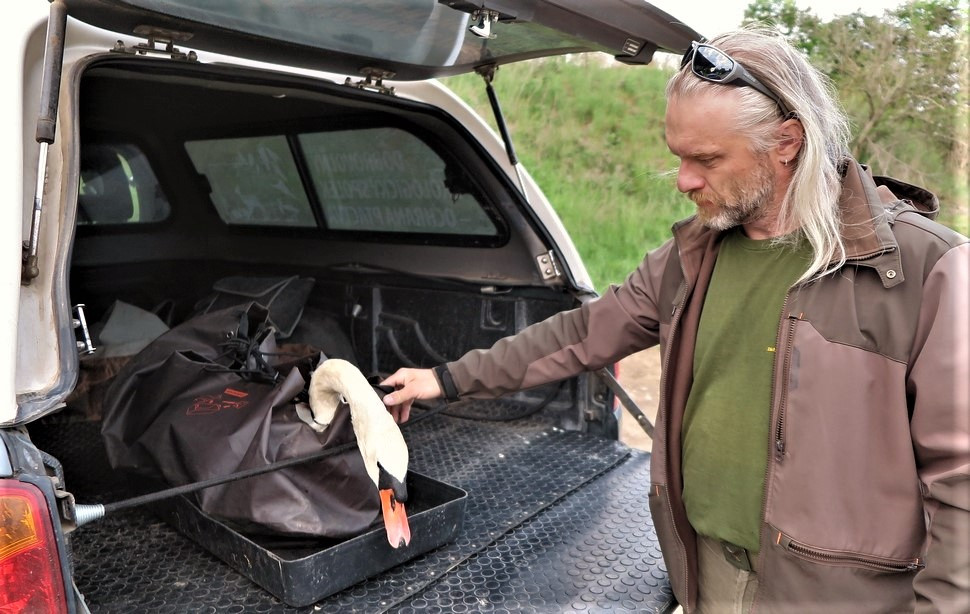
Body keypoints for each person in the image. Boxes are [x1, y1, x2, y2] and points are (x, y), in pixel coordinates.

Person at [380, 27, 969, 613]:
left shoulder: (919, 267)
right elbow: (583, 333)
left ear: (788, 141)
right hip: (706, 570)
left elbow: (961, 482)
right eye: (679, 157)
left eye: (707, 159)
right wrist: (445, 379)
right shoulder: (694, 255)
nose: (685, 180)